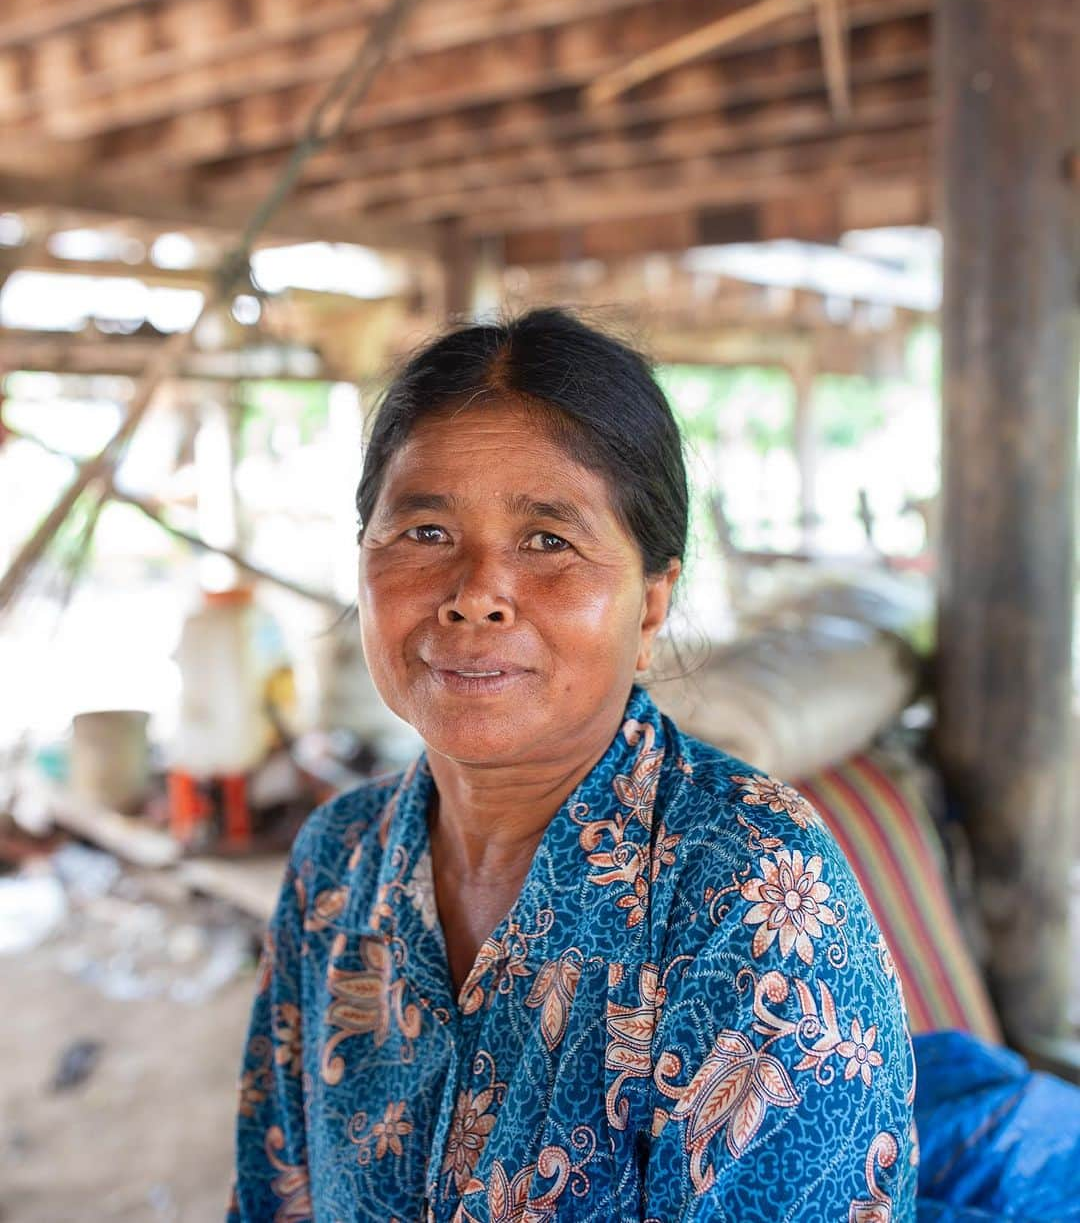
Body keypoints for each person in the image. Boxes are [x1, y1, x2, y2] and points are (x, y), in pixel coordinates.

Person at [228, 309, 916, 1222]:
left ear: (649, 604)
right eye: (425, 531)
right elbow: (273, 1199)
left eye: (548, 540)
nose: (475, 595)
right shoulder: (337, 863)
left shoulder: (750, 896)